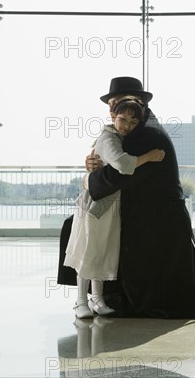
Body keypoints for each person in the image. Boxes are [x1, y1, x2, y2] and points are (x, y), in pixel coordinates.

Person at [58, 77, 195, 318]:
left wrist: (87, 179)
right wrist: (95, 163)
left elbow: (118, 176)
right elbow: (112, 162)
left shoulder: (146, 136)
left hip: (158, 220)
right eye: (112, 105)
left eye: (118, 102)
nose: (113, 109)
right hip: (153, 215)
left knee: (175, 298)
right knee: (187, 290)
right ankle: (98, 297)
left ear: (139, 104)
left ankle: (98, 298)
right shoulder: (138, 128)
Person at [63, 97, 165, 319]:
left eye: (133, 121)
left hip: (109, 204)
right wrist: (149, 156)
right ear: (112, 116)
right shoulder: (109, 138)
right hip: (96, 203)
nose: (127, 125)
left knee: (102, 250)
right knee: (90, 251)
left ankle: (97, 299)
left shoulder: (117, 137)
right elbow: (121, 163)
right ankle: (80, 301)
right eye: (123, 119)